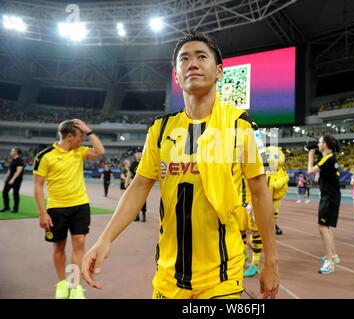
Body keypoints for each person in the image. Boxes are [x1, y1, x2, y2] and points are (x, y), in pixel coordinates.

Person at [81, 32, 279, 299]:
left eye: (201, 57)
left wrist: (271, 261)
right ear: (176, 75)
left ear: (219, 71)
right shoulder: (160, 129)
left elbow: (260, 192)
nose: (192, 63)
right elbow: (139, 186)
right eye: (184, 58)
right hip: (167, 274)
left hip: (222, 274)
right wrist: (104, 239)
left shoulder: (243, 127)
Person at [33, 119, 105, 299]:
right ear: (69, 136)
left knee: (79, 244)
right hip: (56, 208)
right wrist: (42, 212)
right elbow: (37, 186)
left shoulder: (79, 152)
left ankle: (75, 287)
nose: (83, 140)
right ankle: (62, 284)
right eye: (81, 136)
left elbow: (100, 151)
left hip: (80, 206)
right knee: (59, 246)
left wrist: (88, 130)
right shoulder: (45, 156)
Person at [307, 135, 341, 274]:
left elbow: (310, 171)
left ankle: (330, 262)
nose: (318, 144)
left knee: (322, 228)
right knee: (326, 227)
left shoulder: (328, 159)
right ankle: (333, 255)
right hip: (331, 196)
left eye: (320, 142)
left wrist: (310, 155)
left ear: (325, 144)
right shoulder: (328, 158)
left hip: (329, 197)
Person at [1, 148, 24, 213]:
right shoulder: (13, 160)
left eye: (12, 151)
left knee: (15, 194)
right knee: (5, 192)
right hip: (10, 179)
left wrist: (13, 179)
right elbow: (10, 169)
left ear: (16, 152)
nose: (11, 152)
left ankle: (15, 209)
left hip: (17, 180)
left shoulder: (20, 161)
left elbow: (18, 171)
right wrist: (6, 177)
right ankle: (6, 207)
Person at [126, 150, 146, 222]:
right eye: (137, 153)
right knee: (135, 201)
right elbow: (129, 173)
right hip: (134, 185)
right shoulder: (133, 164)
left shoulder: (145, 163)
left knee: (143, 201)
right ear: (135, 155)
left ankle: (144, 215)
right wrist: (126, 182)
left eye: (140, 153)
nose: (138, 155)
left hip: (143, 186)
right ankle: (136, 216)